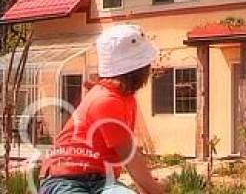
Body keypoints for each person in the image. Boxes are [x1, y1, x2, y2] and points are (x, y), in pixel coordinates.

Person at [39, 24, 169, 194]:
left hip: (102, 181)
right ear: (138, 69)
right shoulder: (105, 100)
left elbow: (130, 156)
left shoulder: (126, 98)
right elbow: (129, 156)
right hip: (64, 179)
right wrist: (157, 189)